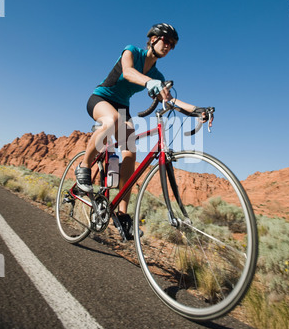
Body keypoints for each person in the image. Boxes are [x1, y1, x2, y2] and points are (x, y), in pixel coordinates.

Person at [75, 23, 200, 239]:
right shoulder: (132, 50)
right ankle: (84, 167)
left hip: (123, 107)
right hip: (101, 98)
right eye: (165, 40)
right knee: (111, 119)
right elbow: (128, 72)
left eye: (172, 45)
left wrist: (197, 110)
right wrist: (150, 82)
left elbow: (169, 99)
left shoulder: (156, 73)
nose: (168, 46)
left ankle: (122, 214)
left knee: (130, 153)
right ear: (153, 39)